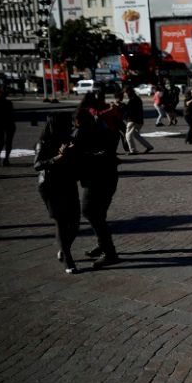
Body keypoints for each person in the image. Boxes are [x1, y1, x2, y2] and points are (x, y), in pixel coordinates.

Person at [73, 108, 121, 269]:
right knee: (98, 213)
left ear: (78, 121)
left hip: (97, 179)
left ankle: (110, 252)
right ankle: (103, 245)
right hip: (107, 177)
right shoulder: (100, 129)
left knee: (90, 212)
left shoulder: (84, 133)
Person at [34, 112, 81, 274]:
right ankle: (68, 258)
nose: (71, 126)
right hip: (50, 185)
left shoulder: (70, 140)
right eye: (67, 124)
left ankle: (63, 248)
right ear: (57, 125)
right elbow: (37, 165)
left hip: (68, 182)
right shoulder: (44, 142)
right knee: (61, 221)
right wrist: (57, 158)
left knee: (75, 222)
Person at [123, 86, 154, 155]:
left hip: (133, 120)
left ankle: (133, 151)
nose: (124, 94)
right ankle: (149, 146)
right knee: (136, 135)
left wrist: (122, 106)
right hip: (138, 120)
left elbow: (129, 110)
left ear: (128, 92)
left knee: (128, 135)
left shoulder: (133, 99)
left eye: (125, 93)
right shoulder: (136, 98)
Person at [0, 88, 16, 168]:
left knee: (0, 142)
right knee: (8, 142)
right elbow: (12, 114)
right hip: (9, 124)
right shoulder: (8, 103)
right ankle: (6, 159)